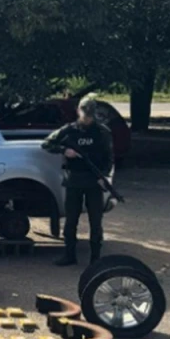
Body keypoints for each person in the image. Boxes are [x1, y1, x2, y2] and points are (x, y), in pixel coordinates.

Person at [42, 95, 114, 266]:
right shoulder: (69, 130)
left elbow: (109, 158)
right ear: (78, 111)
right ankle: (69, 255)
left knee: (95, 221)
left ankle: (95, 257)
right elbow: (46, 144)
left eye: (90, 114)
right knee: (71, 220)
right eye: (85, 114)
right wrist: (64, 150)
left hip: (94, 181)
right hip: (74, 180)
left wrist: (104, 177)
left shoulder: (102, 132)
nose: (87, 118)